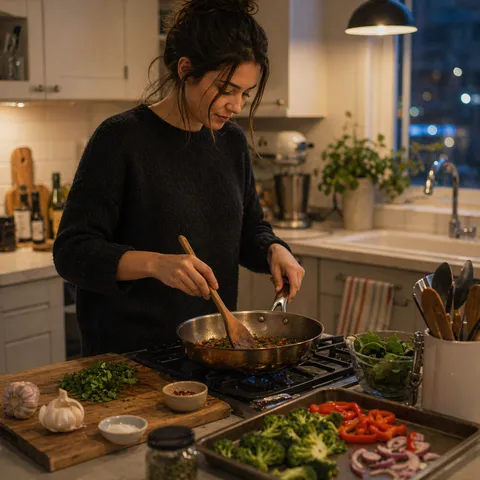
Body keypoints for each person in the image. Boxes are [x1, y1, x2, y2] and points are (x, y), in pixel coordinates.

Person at [53, 0, 305, 356]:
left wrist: (273, 249)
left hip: (209, 352)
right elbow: (71, 252)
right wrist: (157, 264)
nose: (237, 105)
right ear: (187, 70)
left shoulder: (231, 142)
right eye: (227, 89)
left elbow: (249, 229)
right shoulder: (119, 139)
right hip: (128, 358)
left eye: (245, 93)